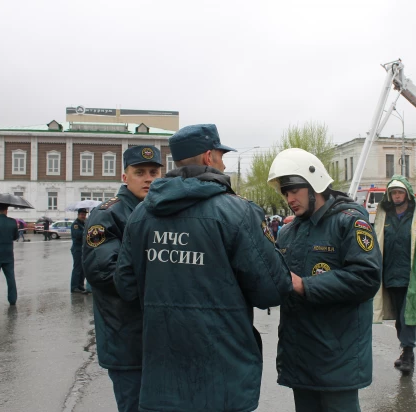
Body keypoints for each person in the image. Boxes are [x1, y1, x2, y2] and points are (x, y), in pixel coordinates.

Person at [114, 124, 293, 412]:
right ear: (209, 157)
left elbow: (126, 285)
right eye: (222, 156)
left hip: (163, 370)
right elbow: (272, 290)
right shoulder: (237, 211)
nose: (223, 163)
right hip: (223, 369)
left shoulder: (141, 215)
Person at [267, 148, 382, 412]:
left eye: (294, 189)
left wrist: (304, 285)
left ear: (314, 183)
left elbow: (366, 277)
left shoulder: (349, 222)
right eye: (285, 192)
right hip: (300, 356)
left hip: (336, 359)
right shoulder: (288, 232)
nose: (289, 198)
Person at [82, 145, 163, 412]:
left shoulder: (162, 212)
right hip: (126, 337)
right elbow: (105, 273)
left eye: (154, 171)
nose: (148, 178)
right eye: (140, 172)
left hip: (161, 338)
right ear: (125, 176)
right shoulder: (108, 214)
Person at [372, 175, 416, 374]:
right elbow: (374, 242)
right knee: (398, 317)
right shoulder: (383, 215)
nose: (396, 196)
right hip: (389, 275)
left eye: (400, 192)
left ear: (407, 194)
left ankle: (408, 355)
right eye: (393, 192)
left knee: (407, 316)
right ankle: (405, 351)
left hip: (412, 275)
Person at [70, 209, 88, 294]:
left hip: (83, 248)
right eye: (81, 214)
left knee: (83, 269)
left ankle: (80, 285)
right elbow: (77, 235)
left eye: (84, 214)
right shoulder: (75, 225)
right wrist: (86, 232)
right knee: (77, 268)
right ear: (78, 215)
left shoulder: (84, 223)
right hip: (77, 249)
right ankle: (74, 287)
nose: (83, 216)